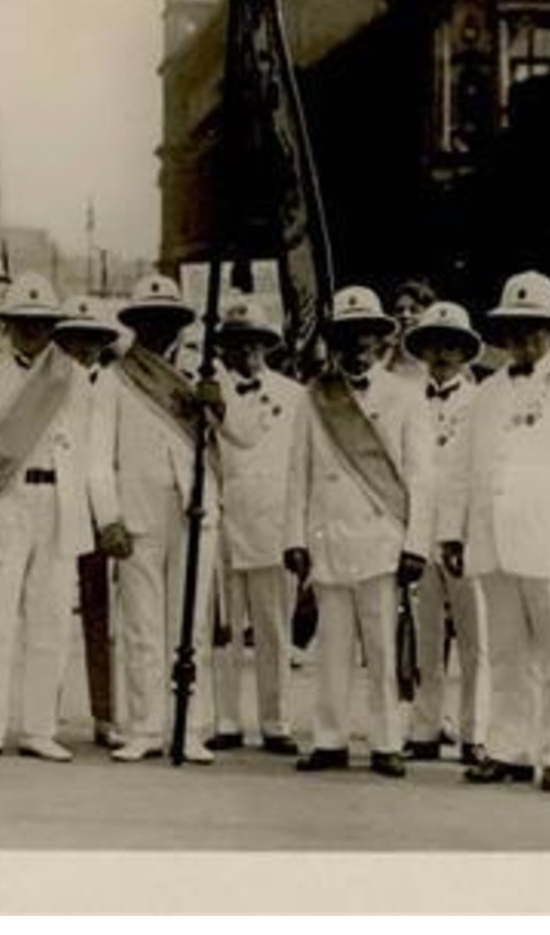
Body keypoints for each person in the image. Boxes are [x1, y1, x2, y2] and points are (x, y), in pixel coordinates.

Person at [444, 272, 550, 794]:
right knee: (506, 652)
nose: (525, 339)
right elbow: (460, 467)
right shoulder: (485, 394)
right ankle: (506, 748)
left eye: (535, 329)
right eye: (515, 329)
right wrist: (453, 532)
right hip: (493, 539)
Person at [284, 286, 433, 779]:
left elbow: (421, 478)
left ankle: (388, 741)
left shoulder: (407, 397)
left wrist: (416, 544)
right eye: (346, 336)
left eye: (365, 335)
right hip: (328, 538)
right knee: (332, 649)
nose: (357, 345)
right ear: (334, 341)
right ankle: (329, 739)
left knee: (383, 649)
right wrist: (294, 538)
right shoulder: (314, 397)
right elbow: (297, 473)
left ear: (381, 340)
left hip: (382, 540)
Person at [0, 273, 95, 763]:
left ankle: (38, 729)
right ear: (7, 324)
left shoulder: (73, 379)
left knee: (50, 621)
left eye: (42, 322)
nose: (32, 330)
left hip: (57, 506)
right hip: (1, 505)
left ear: (53, 326)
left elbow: (91, 455)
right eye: (23, 322)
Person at [89, 273, 220, 764]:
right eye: (150, 320)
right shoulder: (115, 378)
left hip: (197, 508)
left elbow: (241, 439)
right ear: (136, 324)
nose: (159, 328)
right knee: (142, 624)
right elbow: (98, 457)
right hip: (138, 514)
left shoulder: (200, 373)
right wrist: (109, 518)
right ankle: (143, 726)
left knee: (190, 625)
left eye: (168, 319)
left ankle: (189, 727)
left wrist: (216, 406)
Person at [207, 296, 304, 757]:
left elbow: (301, 466)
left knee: (273, 631)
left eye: (255, 343)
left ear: (269, 346)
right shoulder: (207, 393)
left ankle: (276, 720)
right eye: (236, 344)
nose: (246, 353)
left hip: (274, 523)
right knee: (225, 631)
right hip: (225, 521)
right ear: (222, 349)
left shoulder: (293, 395)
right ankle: (226, 719)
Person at [403, 301, 490, 766]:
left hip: (466, 535)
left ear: (466, 351)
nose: (442, 354)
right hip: (420, 535)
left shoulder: (482, 402)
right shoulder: (405, 397)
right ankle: (425, 727)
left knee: (478, 640)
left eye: (452, 345)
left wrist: (466, 532)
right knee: (425, 638)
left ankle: (476, 731)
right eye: (433, 344)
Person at [50, 296, 123, 750]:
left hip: (106, 512)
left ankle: (105, 714)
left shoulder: (118, 384)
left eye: (93, 339)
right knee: (52, 615)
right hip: (59, 505)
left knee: (103, 620)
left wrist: (111, 514)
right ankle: (47, 715)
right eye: (76, 339)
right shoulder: (51, 382)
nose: (85, 349)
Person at [386, 279, 438, 380]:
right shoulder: (384, 353)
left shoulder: (440, 356)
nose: (405, 315)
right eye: (399, 310)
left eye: (414, 310)